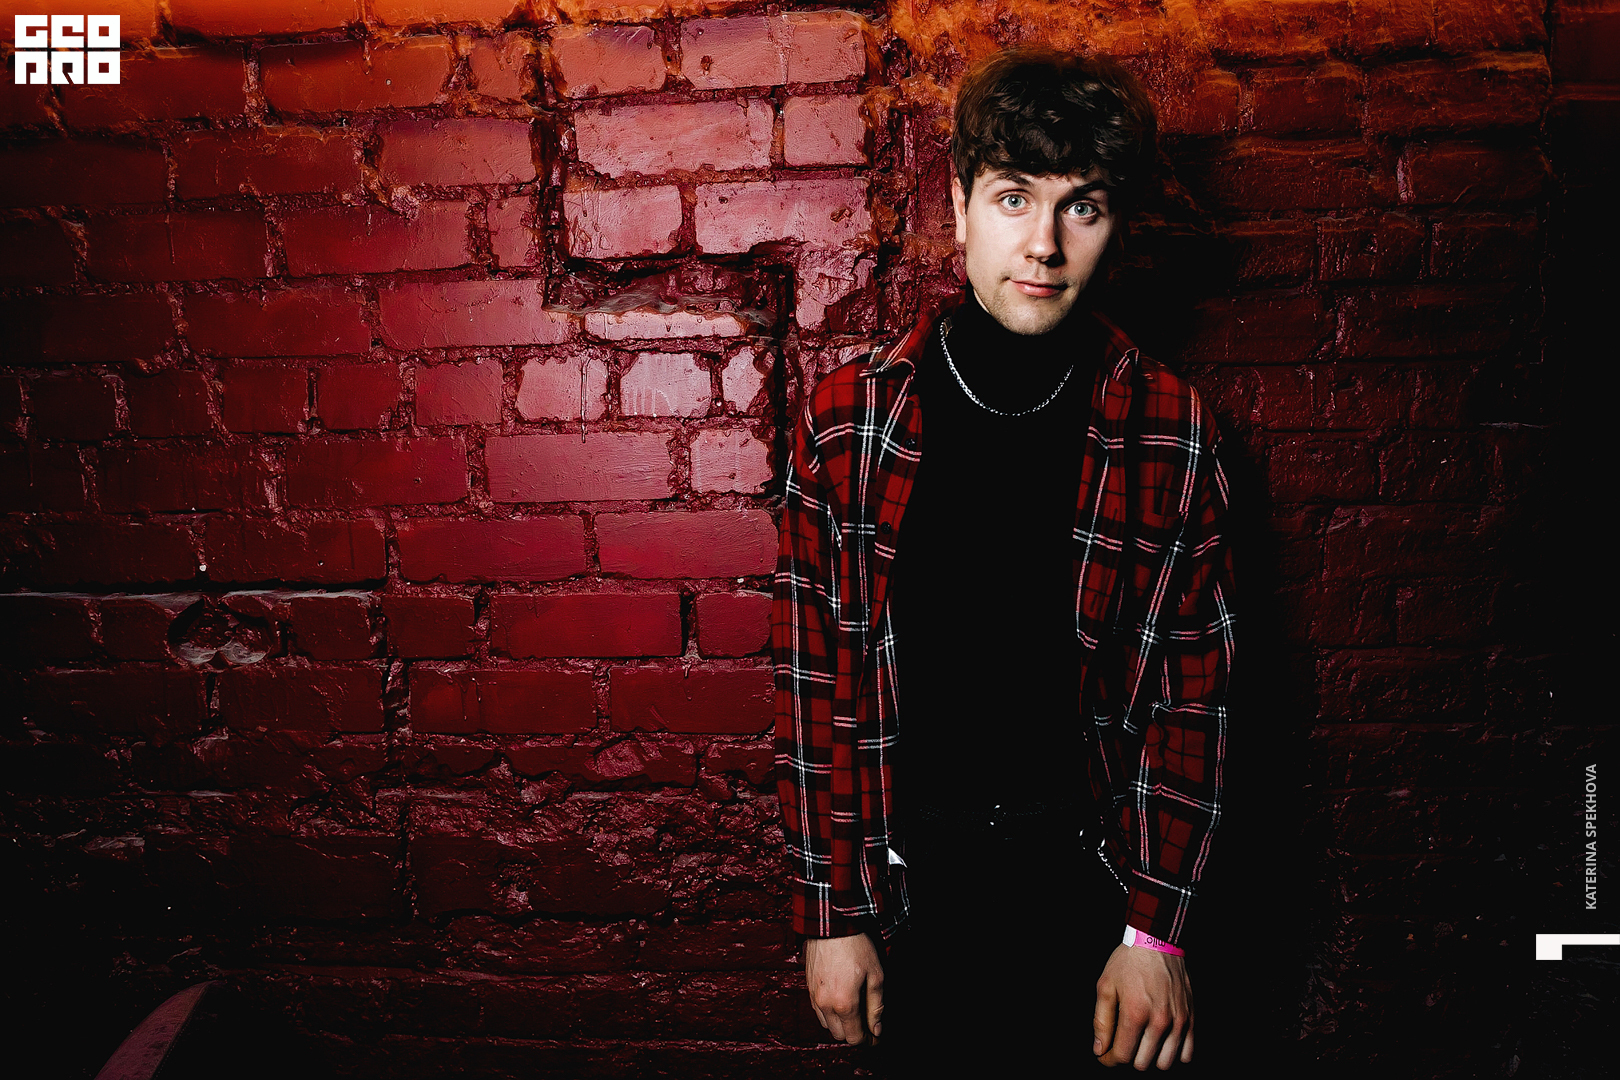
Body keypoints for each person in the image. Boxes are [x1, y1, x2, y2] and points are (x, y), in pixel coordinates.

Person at [771, 47, 1235, 1074]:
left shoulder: (1168, 426)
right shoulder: (853, 424)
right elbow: (816, 683)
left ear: (1116, 224)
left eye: (1082, 207)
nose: (1044, 244)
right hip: (914, 899)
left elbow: (1192, 699)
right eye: (1015, 197)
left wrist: (1156, 936)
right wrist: (830, 915)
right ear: (959, 205)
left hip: (1091, 894)